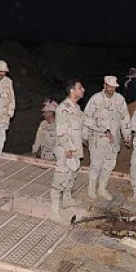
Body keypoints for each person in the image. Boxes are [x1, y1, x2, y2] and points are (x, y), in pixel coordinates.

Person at [83, 75, 131, 200]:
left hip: (113, 140)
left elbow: (125, 119)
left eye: (114, 87)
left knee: (109, 165)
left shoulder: (120, 100)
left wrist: (127, 135)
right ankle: (91, 188)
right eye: (109, 87)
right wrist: (85, 135)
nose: (111, 89)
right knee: (96, 164)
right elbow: (86, 118)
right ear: (104, 85)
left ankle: (102, 189)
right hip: (98, 139)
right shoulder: (96, 99)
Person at [48, 79, 86, 223]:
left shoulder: (76, 108)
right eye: (80, 87)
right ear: (72, 90)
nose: (83, 90)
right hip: (66, 149)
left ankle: (67, 199)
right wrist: (67, 149)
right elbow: (61, 131)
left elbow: (84, 124)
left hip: (75, 148)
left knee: (72, 174)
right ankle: (54, 211)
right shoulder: (63, 108)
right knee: (60, 177)